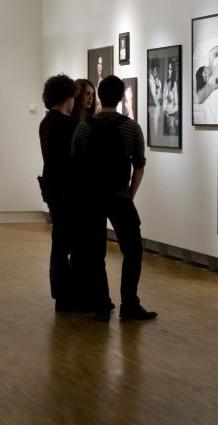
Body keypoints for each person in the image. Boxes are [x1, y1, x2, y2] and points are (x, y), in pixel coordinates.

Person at [71, 75, 156, 322]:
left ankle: (101, 304)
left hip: (91, 199)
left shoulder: (84, 127)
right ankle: (129, 303)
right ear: (120, 98)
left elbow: (75, 165)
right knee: (133, 251)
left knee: (95, 254)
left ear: (99, 95)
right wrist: (129, 194)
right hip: (120, 197)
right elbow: (139, 166)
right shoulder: (131, 127)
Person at [38, 74, 81, 312]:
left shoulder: (46, 122)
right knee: (66, 244)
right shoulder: (67, 124)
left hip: (53, 189)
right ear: (69, 96)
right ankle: (67, 296)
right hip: (67, 191)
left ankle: (61, 294)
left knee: (59, 242)